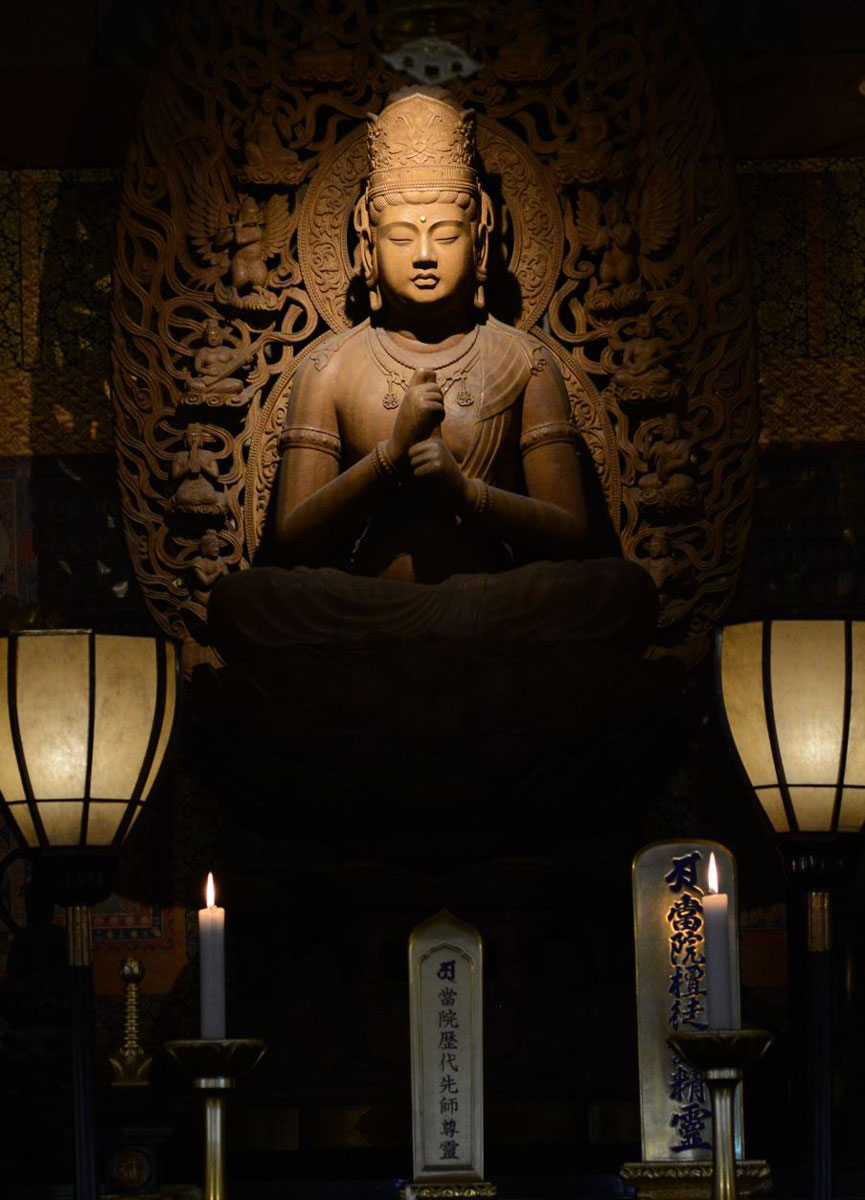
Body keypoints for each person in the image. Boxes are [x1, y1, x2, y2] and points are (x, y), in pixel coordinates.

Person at [211, 87, 657, 656]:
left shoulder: (526, 362)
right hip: (370, 601)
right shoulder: (328, 368)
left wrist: (466, 493)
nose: (424, 254)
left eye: (445, 234)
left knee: (621, 590)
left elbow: (570, 533)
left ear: (482, 242)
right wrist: (390, 456)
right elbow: (292, 539)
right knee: (243, 600)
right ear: (367, 249)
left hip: (492, 600)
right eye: (401, 236)